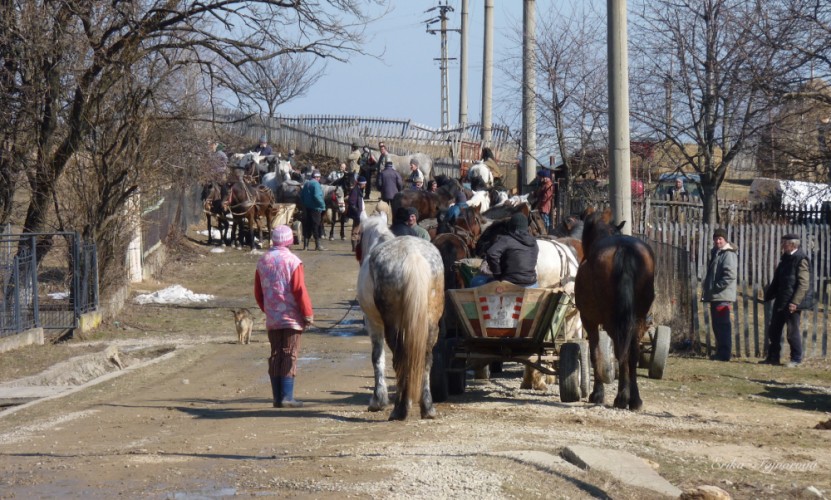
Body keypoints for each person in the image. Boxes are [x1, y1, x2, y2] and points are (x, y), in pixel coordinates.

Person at [254, 225, 314, 408]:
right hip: (291, 317)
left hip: (272, 317)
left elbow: (258, 292)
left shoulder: (263, 261)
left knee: (275, 354)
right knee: (289, 353)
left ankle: (277, 397)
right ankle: (287, 397)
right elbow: (299, 290)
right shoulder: (293, 261)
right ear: (290, 241)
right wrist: (308, 313)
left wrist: (268, 309)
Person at [762, 233, 813, 367]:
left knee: (792, 332)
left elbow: (803, 284)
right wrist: (769, 294)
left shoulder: (801, 259)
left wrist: (795, 302)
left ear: (792, 244)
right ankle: (773, 358)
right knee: (773, 331)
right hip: (781, 300)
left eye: (784, 242)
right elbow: (778, 280)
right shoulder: (785, 258)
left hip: (791, 303)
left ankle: (796, 359)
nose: (782, 245)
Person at [701, 228, 737, 361]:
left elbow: (730, 275)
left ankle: (724, 354)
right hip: (716, 295)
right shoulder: (717, 253)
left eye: (720, 238)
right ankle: (720, 352)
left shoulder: (728, 254)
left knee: (722, 325)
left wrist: (716, 287)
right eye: (716, 239)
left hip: (722, 295)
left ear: (725, 239)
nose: (717, 241)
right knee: (717, 325)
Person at [484, 213, 539, 287]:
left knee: (476, 281)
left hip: (509, 283)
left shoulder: (506, 239)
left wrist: (497, 273)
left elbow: (491, 254)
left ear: (511, 226)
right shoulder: (534, 242)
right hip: (531, 284)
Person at [299, 170, 326, 251]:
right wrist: (322, 205)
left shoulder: (306, 184)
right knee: (316, 226)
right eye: (318, 177)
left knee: (307, 226)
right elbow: (317, 196)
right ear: (317, 177)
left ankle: (305, 246)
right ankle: (317, 245)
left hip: (307, 208)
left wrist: (304, 205)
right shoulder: (316, 184)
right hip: (316, 209)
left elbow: (302, 196)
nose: (319, 179)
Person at [347, 176, 367, 251]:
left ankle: (358, 246)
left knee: (359, 230)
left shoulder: (358, 190)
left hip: (359, 213)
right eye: (364, 184)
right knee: (355, 230)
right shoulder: (355, 191)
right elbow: (351, 202)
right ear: (361, 184)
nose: (365, 185)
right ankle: (355, 248)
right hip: (357, 214)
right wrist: (357, 212)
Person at [534, 169, 554, 234]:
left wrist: (539, 205)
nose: (539, 179)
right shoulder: (545, 184)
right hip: (544, 205)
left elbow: (545, 197)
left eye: (540, 177)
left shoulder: (547, 185)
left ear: (544, 177)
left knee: (544, 219)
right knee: (545, 219)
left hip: (544, 206)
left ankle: (545, 232)